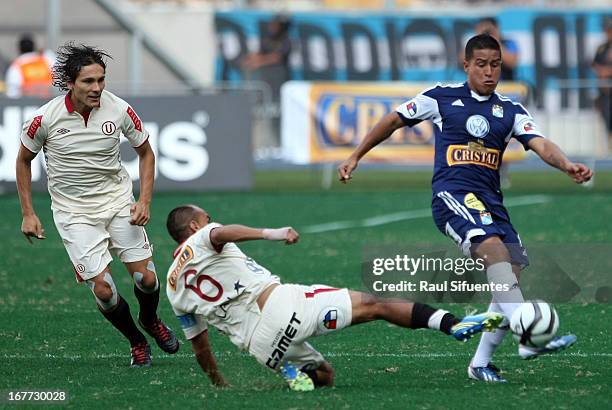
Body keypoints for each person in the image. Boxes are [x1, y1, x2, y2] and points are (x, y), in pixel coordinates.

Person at [337, 34, 592, 383]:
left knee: (509, 276)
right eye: (482, 65)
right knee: (495, 252)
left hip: (491, 203)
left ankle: (480, 364)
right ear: (467, 65)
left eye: (496, 65)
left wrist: (566, 165)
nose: (489, 72)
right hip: (453, 196)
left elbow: (540, 143)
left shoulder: (511, 109)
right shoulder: (441, 98)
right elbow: (394, 119)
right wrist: (355, 155)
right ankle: (528, 336)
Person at [164, 204, 504, 391]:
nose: (211, 220)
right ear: (194, 226)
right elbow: (223, 232)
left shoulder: (171, 286)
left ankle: (292, 374)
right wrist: (272, 233)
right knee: (377, 304)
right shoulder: (204, 236)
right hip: (282, 307)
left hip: (261, 347)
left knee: (325, 375)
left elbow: (200, 345)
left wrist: (218, 382)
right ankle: (454, 324)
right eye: (206, 217)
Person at [15, 43, 179, 367]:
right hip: (73, 213)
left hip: (118, 201)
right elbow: (23, 161)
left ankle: (151, 320)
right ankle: (136, 341)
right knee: (104, 290)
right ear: (69, 82)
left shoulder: (118, 109)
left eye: (101, 80)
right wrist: (28, 213)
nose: (97, 88)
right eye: (88, 81)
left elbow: (146, 153)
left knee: (146, 280)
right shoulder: (45, 118)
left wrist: (144, 200)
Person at [5, 34, 55, 98]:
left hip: (28, 104)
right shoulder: (46, 61)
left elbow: (12, 93)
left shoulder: (16, 66)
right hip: (48, 102)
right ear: (34, 47)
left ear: (19, 49)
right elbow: (59, 66)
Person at [475, 17, 519, 82]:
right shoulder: (475, 45)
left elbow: (511, 63)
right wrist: (477, 39)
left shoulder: (508, 43)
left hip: (505, 86)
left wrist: (495, 40)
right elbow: (463, 60)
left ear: (497, 29)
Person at [592, 16, 612, 148]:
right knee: (607, 120)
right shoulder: (602, 48)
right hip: (605, 92)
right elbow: (594, 64)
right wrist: (601, 71)